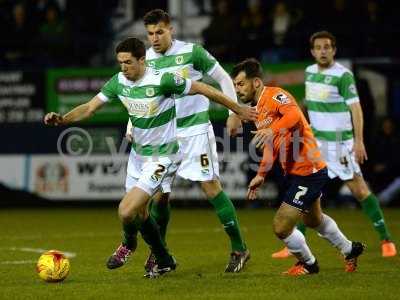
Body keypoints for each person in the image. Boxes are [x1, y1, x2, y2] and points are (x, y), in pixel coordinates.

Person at [43, 37, 257, 278]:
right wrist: (63, 119)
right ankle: (164, 258)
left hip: (162, 157)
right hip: (137, 157)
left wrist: (236, 109)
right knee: (140, 213)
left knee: (126, 211)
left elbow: (202, 88)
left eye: (128, 62)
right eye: (120, 62)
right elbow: (89, 107)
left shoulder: (162, 80)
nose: (123, 67)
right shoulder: (118, 82)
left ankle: (129, 244)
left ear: (142, 60)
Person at [125, 9, 250, 274]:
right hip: (165, 136)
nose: (155, 38)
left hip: (194, 131)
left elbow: (223, 78)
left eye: (160, 32)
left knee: (210, 187)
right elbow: (139, 95)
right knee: (159, 197)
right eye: (150, 34)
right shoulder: (145, 59)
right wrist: (130, 126)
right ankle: (161, 254)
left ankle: (240, 248)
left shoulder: (193, 52)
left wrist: (233, 113)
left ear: (171, 29)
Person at [232, 58, 364, 276]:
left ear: (256, 82)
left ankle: (309, 264)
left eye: (240, 83)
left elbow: (294, 115)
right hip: (296, 172)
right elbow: (269, 145)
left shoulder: (275, 95)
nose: (237, 89)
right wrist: (261, 173)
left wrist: (272, 130)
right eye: (235, 85)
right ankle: (350, 249)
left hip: (308, 170)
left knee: (281, 226)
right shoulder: (257, 109)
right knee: (314, 220)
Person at [272, 31, 396, 259]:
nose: (322, 51)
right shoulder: (309, 73)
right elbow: (309, 102)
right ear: (312, 51)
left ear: (334, 50)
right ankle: (294, 245)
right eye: (318, 47)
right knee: (308, 193)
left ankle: (386, 239)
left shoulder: (343, 75)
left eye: (327, 47)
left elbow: (356, 109)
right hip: (316, 144)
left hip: (340, 144)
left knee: (359, 190)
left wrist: (358, 141)